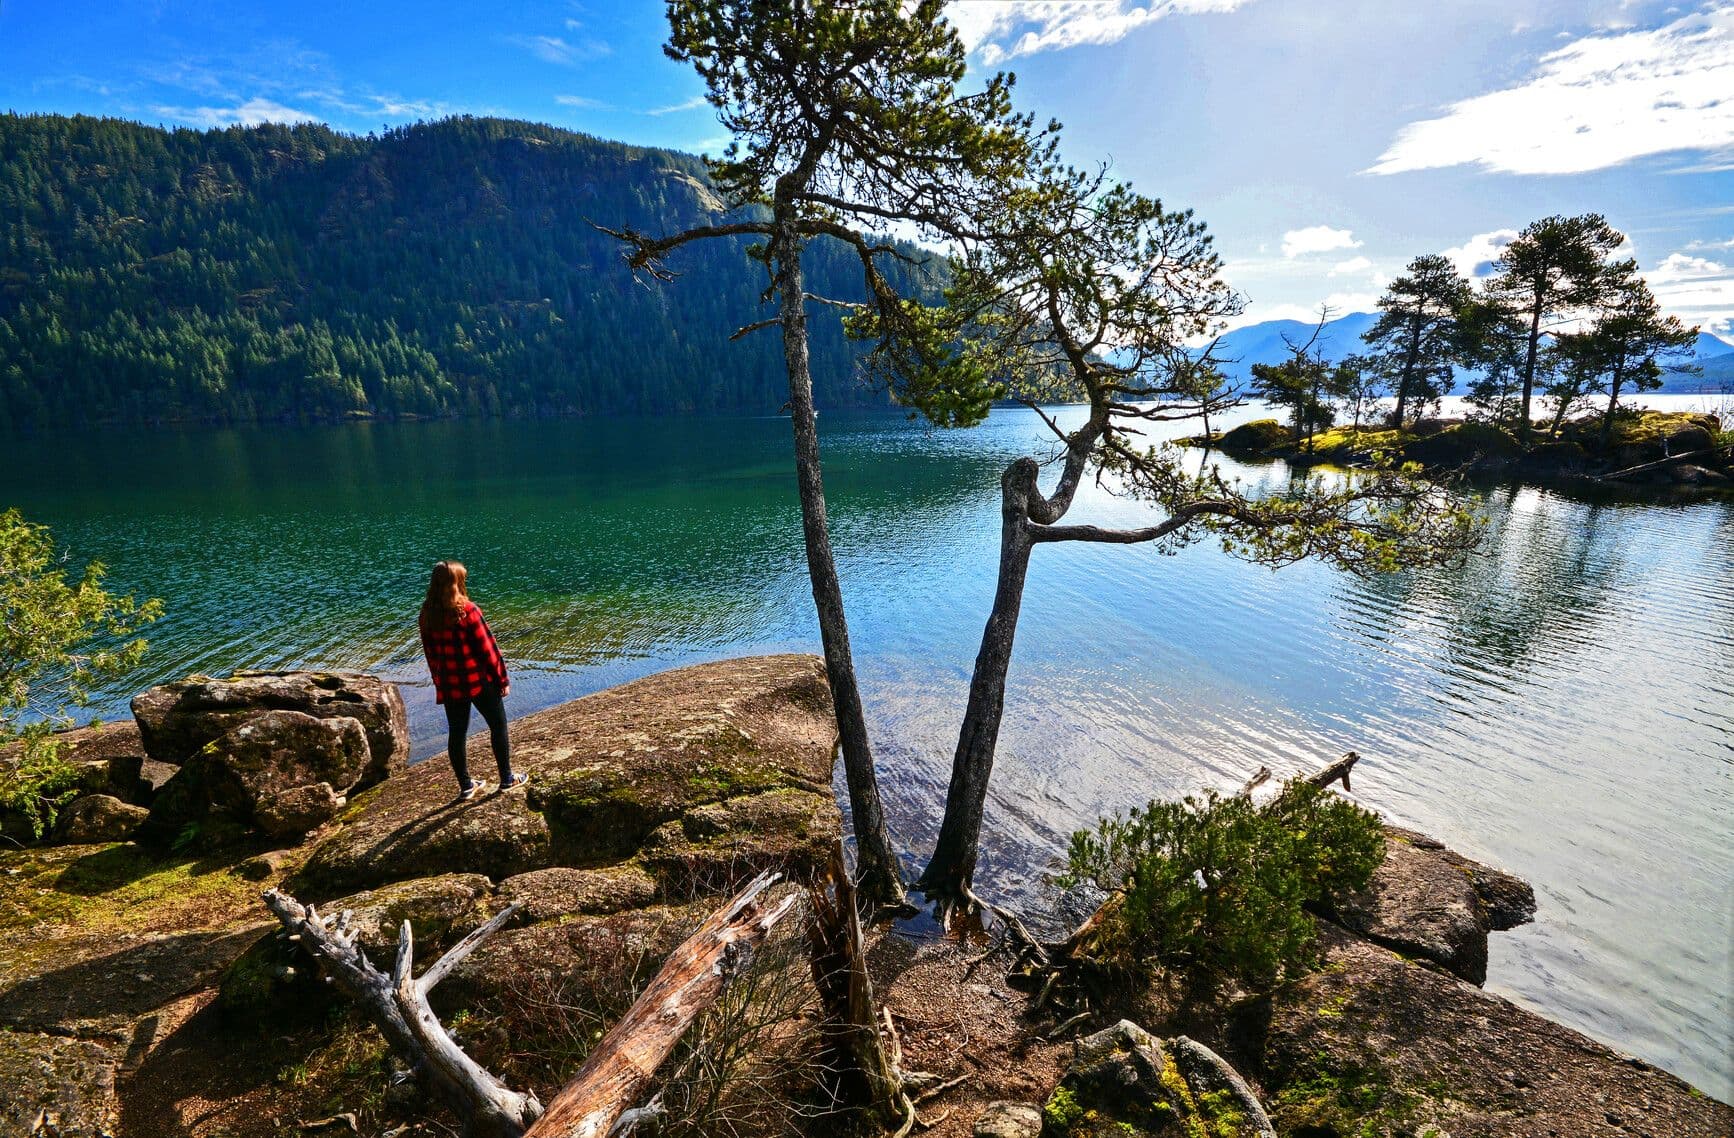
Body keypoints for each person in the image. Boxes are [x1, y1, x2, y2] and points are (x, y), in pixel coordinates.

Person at [419, 560, 527, 800]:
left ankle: (467, 785)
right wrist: (502, 679)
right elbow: (488, 650)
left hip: (450, 683)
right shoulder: (468, 610)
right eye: (462, 579)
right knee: (498, 726)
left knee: (457, 733)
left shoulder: (427, 614)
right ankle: (507, 779)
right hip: (478, 681)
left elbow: (430, 654)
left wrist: (439, 681)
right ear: (456, 583)